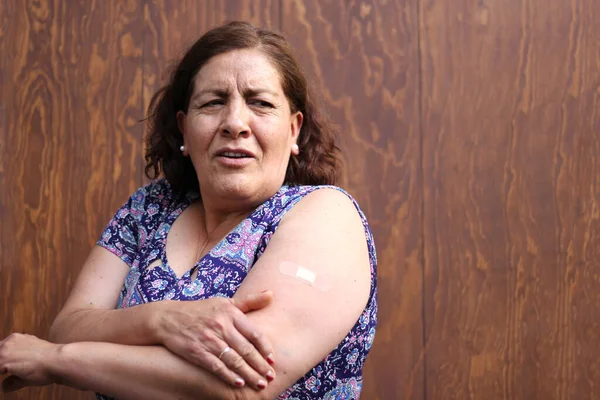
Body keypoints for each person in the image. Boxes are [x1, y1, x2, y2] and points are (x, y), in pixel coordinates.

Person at [0, 21, 378, 399]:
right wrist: (163, 320)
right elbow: (69, 325)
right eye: (213, 102)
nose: (234, 123)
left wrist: (54, 361)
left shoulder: (327, 215)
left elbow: (241, 384)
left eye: (260, 103)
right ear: (183, 129)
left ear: (294, 130)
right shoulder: (148, 208)